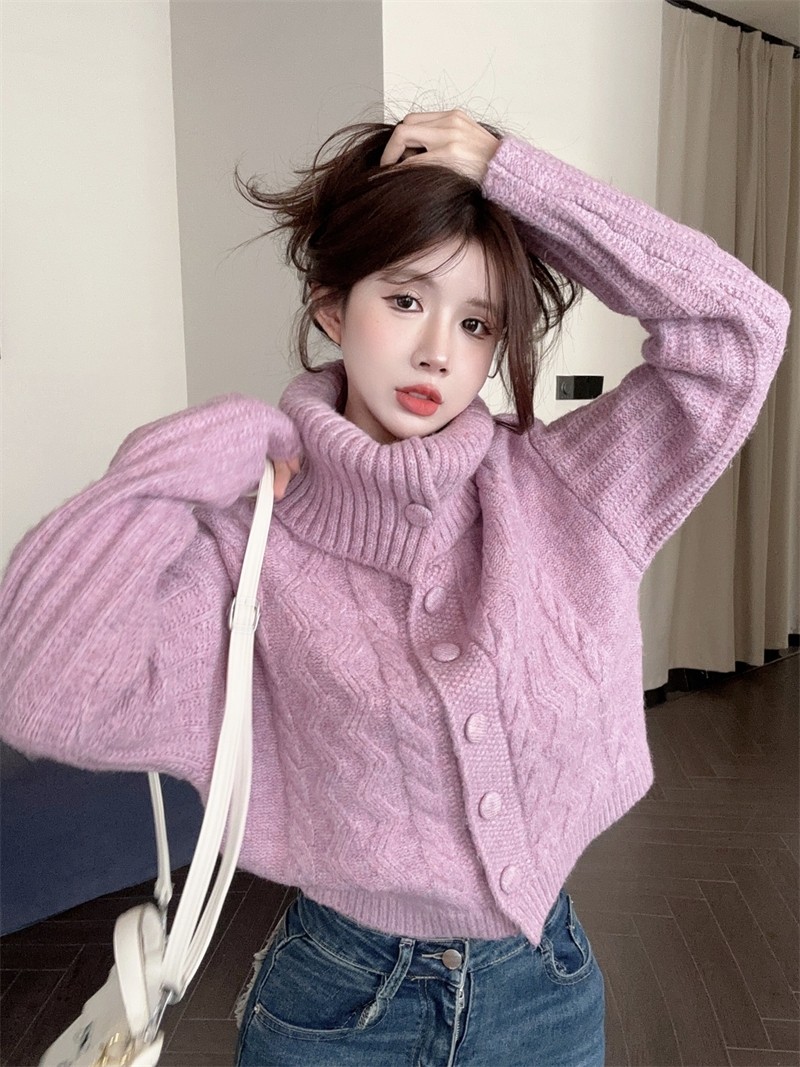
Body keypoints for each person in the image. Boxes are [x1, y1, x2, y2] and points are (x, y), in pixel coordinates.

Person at [0, 107, 790, 1067]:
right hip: (335, 1006)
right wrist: (187, 457)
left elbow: (737, 329)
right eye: (407, 299)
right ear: (333, 307)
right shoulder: (247, 544)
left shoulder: (569, 493)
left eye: (477, 321)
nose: (438, 352)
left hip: (544, 989)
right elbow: (41, 691)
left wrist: (513, 175)